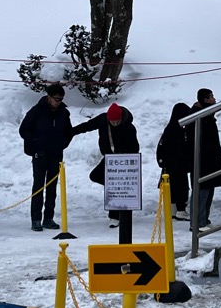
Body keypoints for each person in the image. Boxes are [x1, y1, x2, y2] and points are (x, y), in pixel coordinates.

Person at [73, 101, 140, 229]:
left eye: (117, 122)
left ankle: (115, 216)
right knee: (96, 176)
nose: (114, 124)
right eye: (112, 122)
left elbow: (135, 148)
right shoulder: (103, 120)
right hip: (109, 158)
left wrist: (124, 155)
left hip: (124, 162)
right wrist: (70, 132)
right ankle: (118, 201)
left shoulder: (129, 127)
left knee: (116, 185)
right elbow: (87, 126)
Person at [19, 83, 71, 233]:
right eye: (56, 99)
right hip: (39, 154)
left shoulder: (63, 113)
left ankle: (48, 217)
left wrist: (63, 143)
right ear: (49, 97)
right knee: (38, 186)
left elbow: (68, 132)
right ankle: (36, 219)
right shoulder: (36, 111)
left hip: (56, 154)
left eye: (61, 99)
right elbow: (23, 130)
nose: (59, 102)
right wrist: (35, 143)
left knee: (52, 187)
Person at [186, 88, 221, 228]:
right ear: (205, 100)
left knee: (208, 191)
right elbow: (197, 141)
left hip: (209, 159)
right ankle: (197, 222)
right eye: (212, 97)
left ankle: (203, 219)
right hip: (202, 161)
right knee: (201, 191)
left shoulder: (206, 115)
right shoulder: (197, 117)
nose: (214, 99)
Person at [156, 103, 193, 220]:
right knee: (181, 186)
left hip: (169, 164)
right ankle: (181, 210)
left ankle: (172, 211)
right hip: (177, 164)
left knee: (172, 187)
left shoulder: (170, 128)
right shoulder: (178, 130)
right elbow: (180, 147)